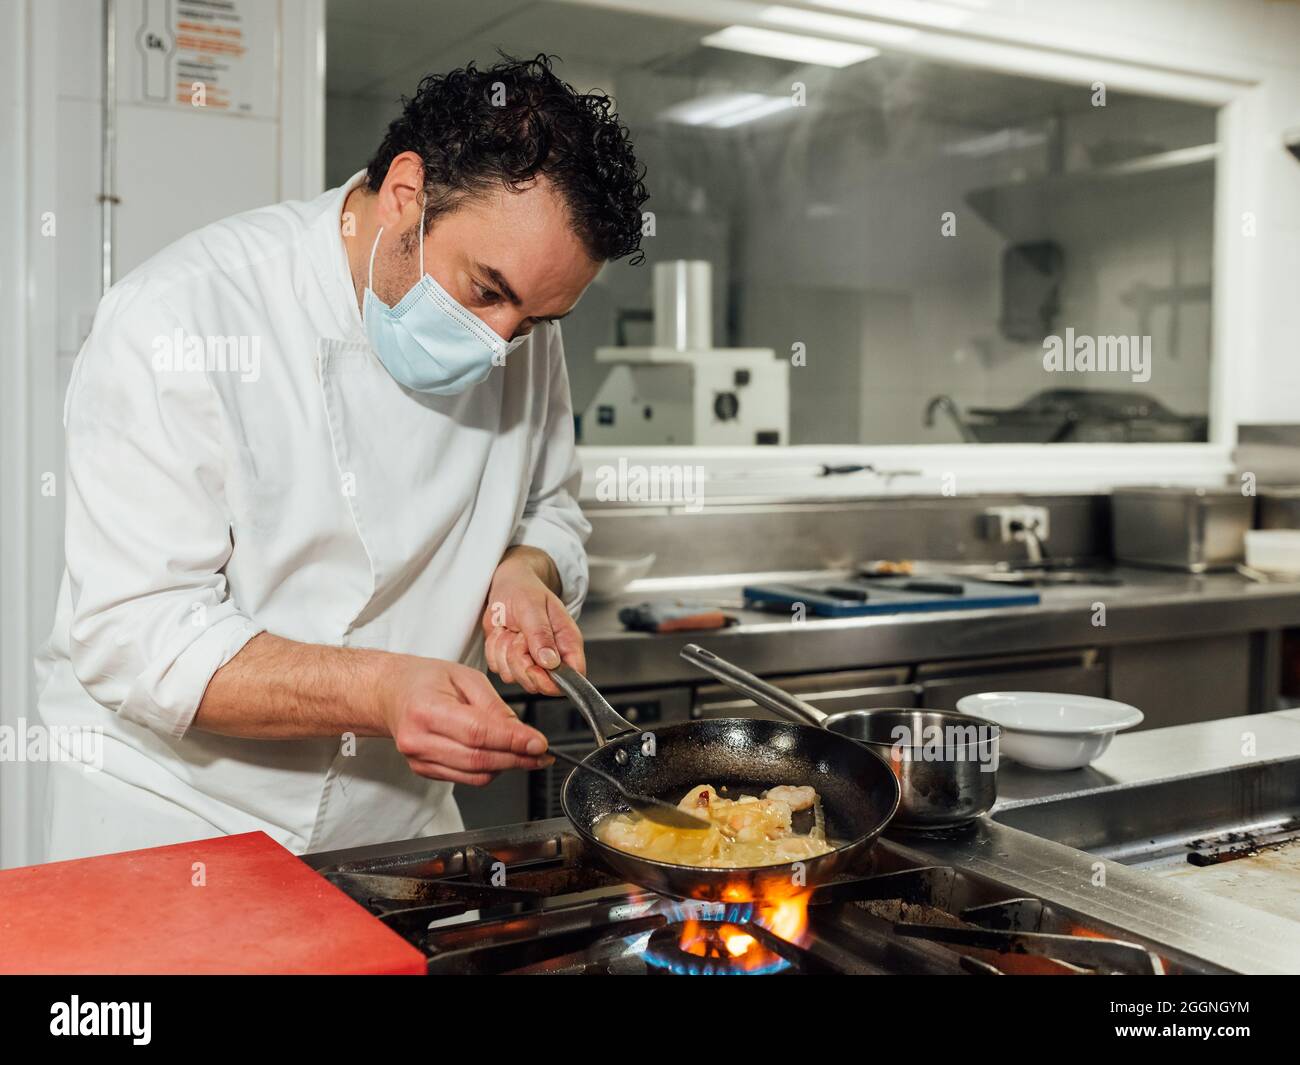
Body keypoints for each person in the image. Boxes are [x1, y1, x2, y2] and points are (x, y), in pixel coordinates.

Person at [34, 55, 649, 861]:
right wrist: (384, 689)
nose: (500, 345)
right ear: (405, 193)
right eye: (483, 290)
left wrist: (523, 572)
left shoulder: (520, 332)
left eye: (533, 320)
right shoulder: (180, 318)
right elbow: (139, 636)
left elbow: (550, 505)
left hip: (393, 821)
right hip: (175, 815)